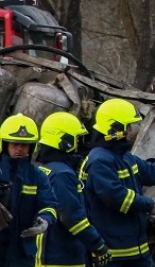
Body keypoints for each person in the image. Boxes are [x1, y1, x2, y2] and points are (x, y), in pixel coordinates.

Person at [81, 98, 155, 267]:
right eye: (130, 126)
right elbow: (115, 196)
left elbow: (152, 171)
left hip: (136, 250)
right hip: (114, 254)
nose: (135, 130)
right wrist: (151, 204)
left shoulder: (124, 157)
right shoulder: (99, 161)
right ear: (115, 129)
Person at [35, 111, 111, 267]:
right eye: (76, 138)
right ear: (65, 141)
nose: (80, 143)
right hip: (62, 257)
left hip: (48, 253)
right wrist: (98, 245)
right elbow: (72, 216)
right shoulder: (62, 175)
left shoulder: (45, 169)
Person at [0, 113, 58, 267]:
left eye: (24, 145)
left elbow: (49, 204)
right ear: (4, 144)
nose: (19, 149)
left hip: (22, 253)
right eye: (14, 144)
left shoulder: (37, 175)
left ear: (32, 147)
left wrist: (44, 220)